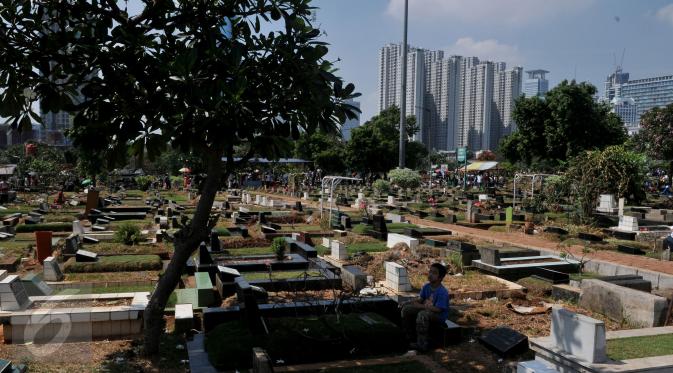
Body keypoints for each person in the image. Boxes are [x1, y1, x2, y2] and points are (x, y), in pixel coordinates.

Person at [400, 263, 450, 352]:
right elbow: (420, 299)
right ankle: (409, 337)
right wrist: (407, 302)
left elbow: (438, 309)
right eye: (430, 271)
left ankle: (422, 344)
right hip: (427, 310)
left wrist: (421, 306)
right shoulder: (426, 287)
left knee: (422, 314)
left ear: (440, 278)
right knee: (407, 309)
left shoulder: (442, 292)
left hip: (438, 316)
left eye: (434, 273)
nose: (430, 274)